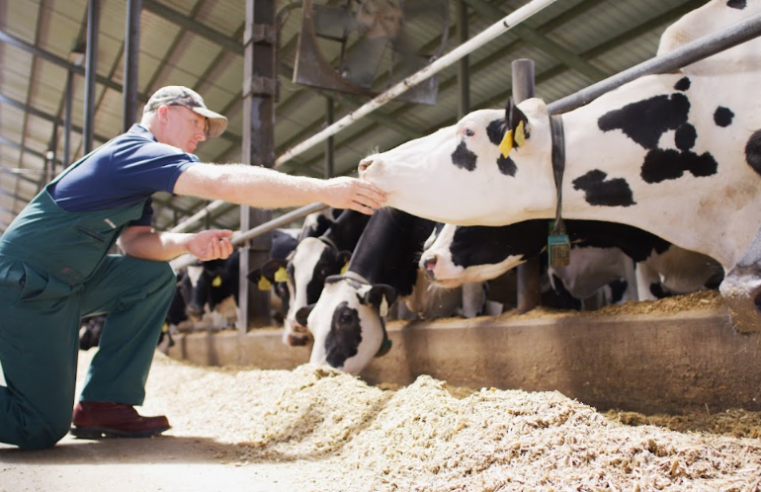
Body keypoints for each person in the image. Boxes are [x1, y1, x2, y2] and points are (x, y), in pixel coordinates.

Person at [0, 86, 386, 449]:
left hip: (67, 283)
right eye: (196, 122)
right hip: (24, 285)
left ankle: (105, 403)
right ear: (164, 114)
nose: (202, 135)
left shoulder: (139, 182)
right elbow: (223, 181)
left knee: (151, 277)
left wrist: (186, 243)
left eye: (206, 129)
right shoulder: (133, 152)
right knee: (39, 425)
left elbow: (136, 244)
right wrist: (321, 190)